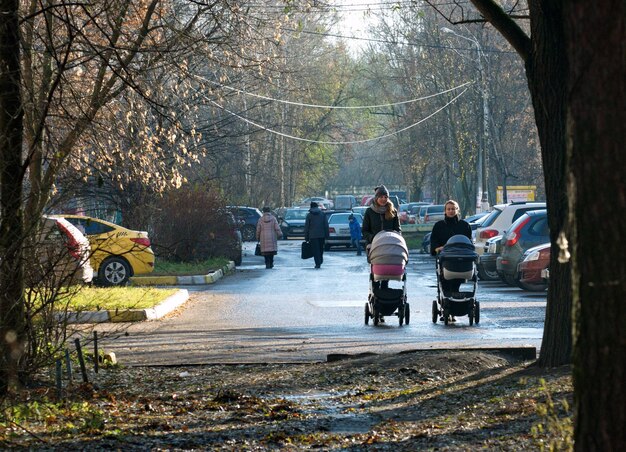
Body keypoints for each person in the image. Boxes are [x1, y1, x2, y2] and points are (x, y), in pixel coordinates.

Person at [430, 199, 472, 321]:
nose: (451, 211)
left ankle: (455, 306)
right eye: (448, 209)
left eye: (453, 209)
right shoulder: (439, 226)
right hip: (445, 259)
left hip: (461, 260)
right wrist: (437, 248)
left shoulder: (464, 225)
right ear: (445, 211)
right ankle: (445, 306)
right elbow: (434, 242)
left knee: (457, 282)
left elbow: (469, 242)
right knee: (444, 282)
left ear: (457, 210)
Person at [362, 185, 401, 290]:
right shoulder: (370, 212)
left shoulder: (392, 211)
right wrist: (373, 238)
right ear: (376, 198)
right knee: (376, 271)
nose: (384, 199)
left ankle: (385, 288)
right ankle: (375, 290)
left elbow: (397, 229)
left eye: (386, 197)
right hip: (374, 245)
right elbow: (365, 230)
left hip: (389, 245)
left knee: (386, 269)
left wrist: (396, 239)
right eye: (381, 197)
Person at [304, 202, 329, 269]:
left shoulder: (309, 215)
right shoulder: (323, 214)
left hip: (313, 236)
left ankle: (317, 263)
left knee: (315, 250)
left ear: (311, 207)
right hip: (322, 235)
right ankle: (320, 260)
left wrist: (306, 237)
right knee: (321, 248)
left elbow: (307, 227)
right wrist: (327, 235)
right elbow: (326, 225)